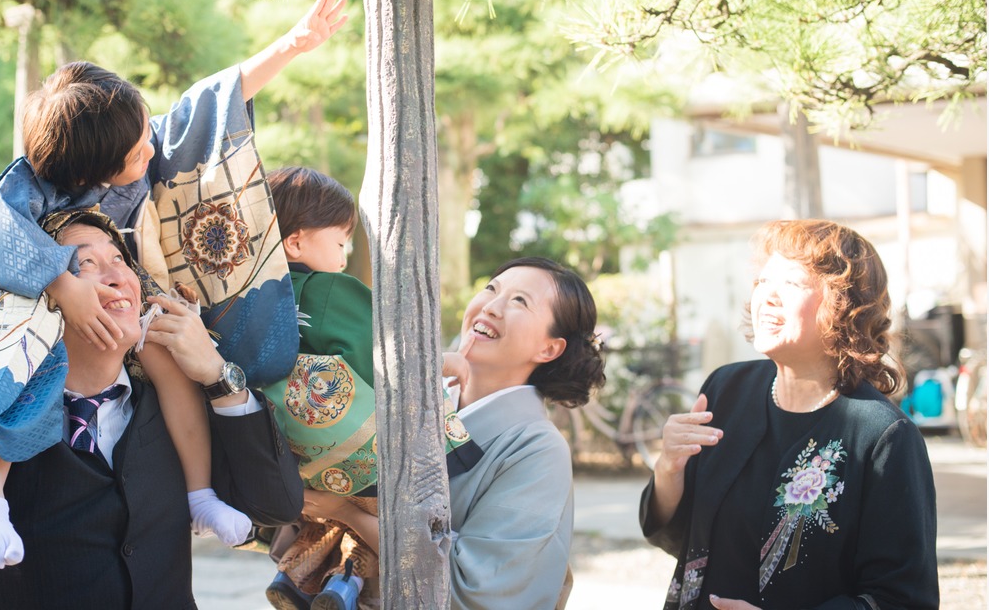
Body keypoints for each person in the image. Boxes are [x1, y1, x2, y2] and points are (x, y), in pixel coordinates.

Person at [0, 0, 347, 568]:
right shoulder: (28, 188)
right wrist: (64, 287)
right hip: (33, 310)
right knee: (27, 367)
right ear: (90, 169)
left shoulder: (132, 149)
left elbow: (201, 112)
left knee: (169, 352)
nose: (151, 148)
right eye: (137, 152)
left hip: (123, 297)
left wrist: (291, 45)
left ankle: (200, 494)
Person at [0, 210, 304, 609]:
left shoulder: (174, 410)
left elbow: (277, 505)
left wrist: (217, 375)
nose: (117, 275)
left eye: (119, 259)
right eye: (85, 264)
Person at [640, 219, 938, 610]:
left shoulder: (883, 435)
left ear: (844, 306)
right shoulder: (726, 389)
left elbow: (902, 598)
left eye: (791, 283)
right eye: (762, 281)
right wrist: (669, 468)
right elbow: (680, 535)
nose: (767, 296)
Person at [296, 257, 607, 609]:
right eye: (491, 288)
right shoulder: (412, 394)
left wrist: (348, 513)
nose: (491, 306)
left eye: (520, 301)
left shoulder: (539, 450)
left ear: (549, 348)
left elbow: (476, 588)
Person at [260, 166, 479, 610]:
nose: (344, 258)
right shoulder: (328, 290)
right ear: (295, 242)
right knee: (396, 522)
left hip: (300, 451)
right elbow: (385, 354)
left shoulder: (256, 300)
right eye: (340, 243)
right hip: (361, 450)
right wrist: (438, 362)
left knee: (332, 518)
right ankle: (345, 584)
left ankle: (299, 577)